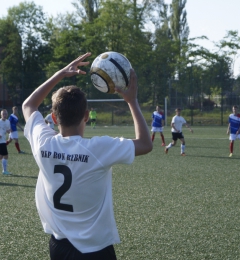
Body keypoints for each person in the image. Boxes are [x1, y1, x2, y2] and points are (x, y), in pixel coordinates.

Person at [22, 52, 152, 259]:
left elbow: (28, 105)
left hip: (59, 247)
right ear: (86, 116)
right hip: (95, 250)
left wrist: (60, 74)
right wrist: (132, 101)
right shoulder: (98, 148)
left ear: (54, 118)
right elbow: (145, 144)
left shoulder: (42, 142)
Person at [0, 109, 12, 175]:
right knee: (5, 156)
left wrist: (9, 132)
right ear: (1, 115)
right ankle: (4, 171)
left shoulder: (8, 122)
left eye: (6, 114)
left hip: (3, 140)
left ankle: (4, 171)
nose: (5, 115)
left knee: (0, 156)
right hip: (0, 141)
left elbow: (8, 130)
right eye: (3, 114)